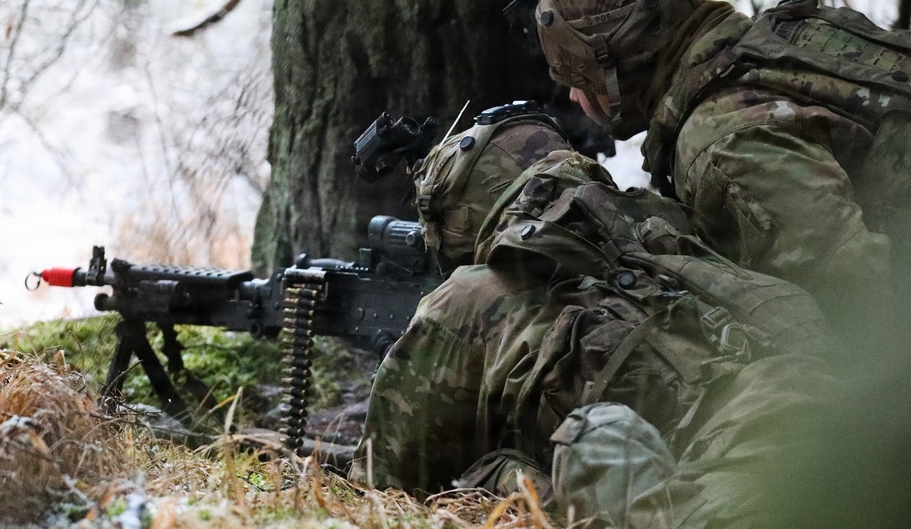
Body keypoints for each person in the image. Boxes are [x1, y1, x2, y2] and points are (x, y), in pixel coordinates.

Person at [350, 107, 835, 527]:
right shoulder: (671, 246)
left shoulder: (466, 298)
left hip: (733, 487)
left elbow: (382, 482)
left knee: (504, 466)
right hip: (832, 429)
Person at [534, 0, 911, 344]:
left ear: (621, 64)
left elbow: (863, 307)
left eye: (579, 77)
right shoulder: (785, 36)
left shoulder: (721, 144)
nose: (575, 96)